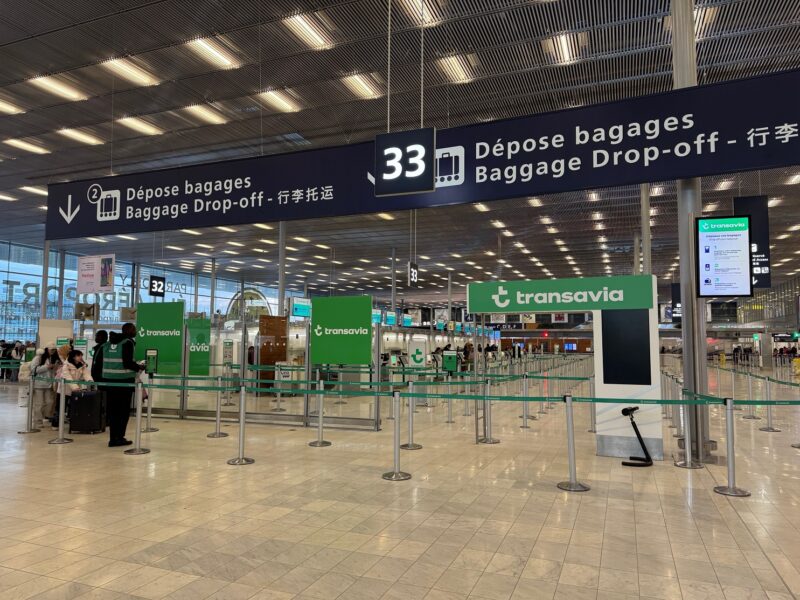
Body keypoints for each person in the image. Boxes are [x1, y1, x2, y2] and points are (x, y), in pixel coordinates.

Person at [101, 323, 143, 447]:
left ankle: (113, 438)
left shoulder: (109, 343)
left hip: (109, 381)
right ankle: (119, 437)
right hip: (124, 381)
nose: (136, 331)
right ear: (130, 331)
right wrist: (140, 367)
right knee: (123, 412)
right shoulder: (127, 343)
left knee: (113, 411)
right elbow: (127, 363)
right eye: (134, 329)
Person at [31, 345, 61, 428]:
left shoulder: (54, 359)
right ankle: (38, 421)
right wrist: (46, 367)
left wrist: (56, 367)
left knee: (49, 402)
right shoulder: (38, 358)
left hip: (49, 384)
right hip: (38, 384)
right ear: (46, 349)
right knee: (39, 404)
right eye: (51, 350)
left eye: (54, 350)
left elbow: (55, 372)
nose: (53, 351)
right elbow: (33, 370)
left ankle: (45, 417)